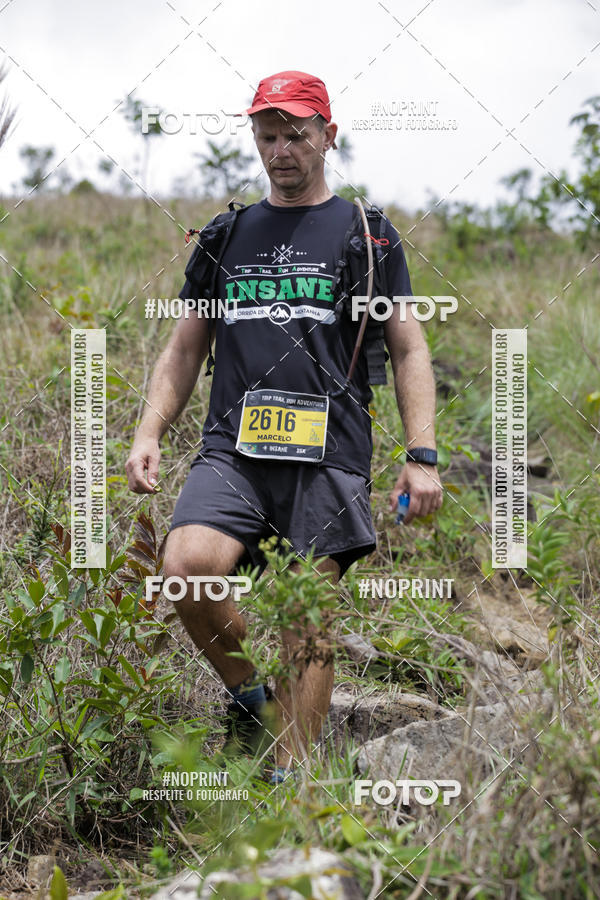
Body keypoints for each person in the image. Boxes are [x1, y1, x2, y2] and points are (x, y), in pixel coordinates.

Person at [125, 70, 442, 783]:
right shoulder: (225, 234)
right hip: (231, 451)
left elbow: (409, 346)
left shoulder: (368, 233)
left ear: (329, 135)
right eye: (268, 136)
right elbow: (184, 347)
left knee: (306, 614)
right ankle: (251, 699)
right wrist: (149, 431)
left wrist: (420, 454)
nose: (281, 150)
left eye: (296, 133)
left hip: (327, 454)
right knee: (184, 569)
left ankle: (293, 785)